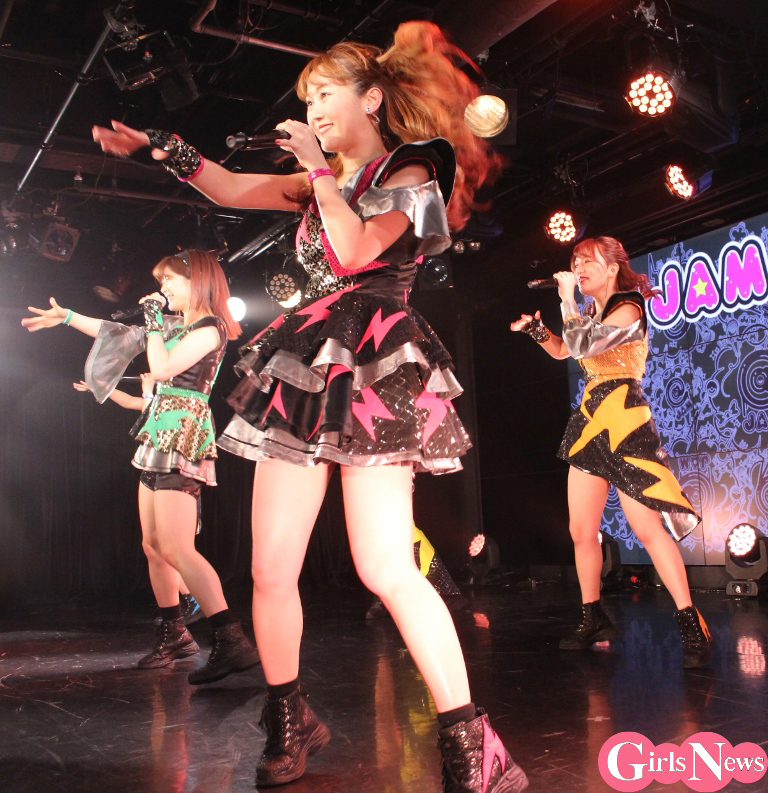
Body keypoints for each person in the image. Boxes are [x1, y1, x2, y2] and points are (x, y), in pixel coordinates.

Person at [93, 20, 527, 793]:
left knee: (384, 564)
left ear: (371, 99)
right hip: (307, 363)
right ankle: (289, 716)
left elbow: (357, 251)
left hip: (377, 359)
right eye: (309, 99)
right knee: (269, 565)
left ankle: (471, 742)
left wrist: (320, 171)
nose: (315, 110)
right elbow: (229, 187)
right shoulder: (322, 179)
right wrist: (161, 144)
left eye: (325, 94)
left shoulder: (413, 165)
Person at [22, 250, 260, 684]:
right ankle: (175, 634)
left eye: (170, 280)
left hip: (182, 430)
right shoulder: (174, 325)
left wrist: (152, 319)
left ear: (198, 281)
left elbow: (162, 367)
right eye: (161, 281)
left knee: (178, 548)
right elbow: (119, 334)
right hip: (159, 430)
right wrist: (69, 317)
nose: (163, 288)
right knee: (153, 545)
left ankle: (232, 640)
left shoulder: (211, 329)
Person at [510, 236, 712, 669]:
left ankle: (689, 621)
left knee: (647, 529)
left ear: (612, 268)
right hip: (590, 423)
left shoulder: (629, 307)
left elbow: (585, 346)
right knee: (582, 530)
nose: (578, 269)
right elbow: (564, 350)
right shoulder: (588, 315)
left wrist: (565, 298)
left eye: (587, 261)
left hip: (625, 422)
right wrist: (536, 331)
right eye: (575, 262)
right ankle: (593, 616)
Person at [73, 374, 204, 628]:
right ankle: (184, 604)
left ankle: (196, 600)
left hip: (174, 476)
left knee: (173, 549)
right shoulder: (159, 396)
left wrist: (147, 391)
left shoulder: (182, 401)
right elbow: (128, 401)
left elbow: (150, 421)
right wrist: (99, 388)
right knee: (153, 547)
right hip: (150, 473)